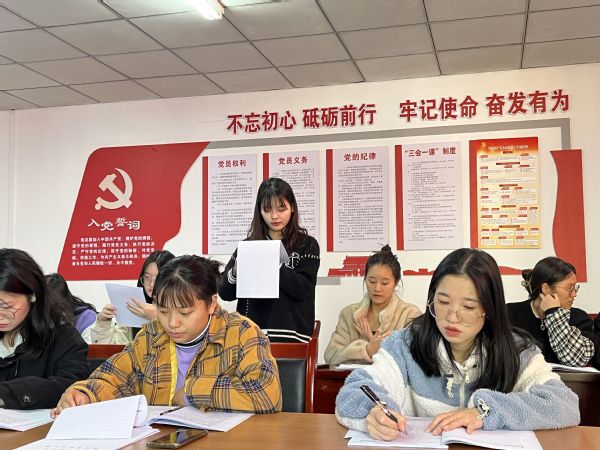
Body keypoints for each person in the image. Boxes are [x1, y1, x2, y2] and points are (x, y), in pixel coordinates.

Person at [335, 248, 579, 441]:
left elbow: (564, 404)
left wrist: (485, 411)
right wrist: (373, 412)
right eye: (443, 302)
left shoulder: (517, 350)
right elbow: (355, 388)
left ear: (490, 308)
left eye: (468, 307)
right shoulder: (406, 344)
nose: (452, 317)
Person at [52, 254, 282, 416]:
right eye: (162, 311)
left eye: (185, 312)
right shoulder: (152, 335)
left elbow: (266, 393)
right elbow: (114, 377)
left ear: (211, 303)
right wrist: (85, 394)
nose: (172, 323)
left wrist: (192, 392)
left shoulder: (241, 333)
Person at [219, 178, 320, 343]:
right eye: (267, 209)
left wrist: (273, 262)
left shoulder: (307, 244)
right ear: (259, 211)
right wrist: (235, 272)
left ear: (292, 207)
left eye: (281, 208)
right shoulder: (248, 246)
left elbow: (302, 289)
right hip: (251, 337)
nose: (274, 216)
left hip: (291, 337)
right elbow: (225, 293)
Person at [0, 248, 89, 409]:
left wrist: (7, 394)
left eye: (7, 306)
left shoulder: (63, 338)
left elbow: (72, 385)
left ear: (33, 295)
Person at [324, 245, 420, 364]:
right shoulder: (349, 313)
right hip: (352, 376)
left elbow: (416, 358)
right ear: (365, 279)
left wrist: (378, 344)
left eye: (384, 283)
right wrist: (366, 350)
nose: (377, 288)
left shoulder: (409, 314)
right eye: (372, 281)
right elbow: (330, 356)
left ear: (396, 283)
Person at [507, 256, 594, 367]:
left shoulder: (579, 318)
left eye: (575, 287)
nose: (574, 294)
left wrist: (554, 314)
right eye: (570, 288)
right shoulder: (509, 314)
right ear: (546, 289)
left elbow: (577, 360)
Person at [82, 250, 175, 344]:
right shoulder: (135, 308)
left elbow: (180, 346)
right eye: (147, 277)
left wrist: (157, 317)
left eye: (157, 278)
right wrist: (103, 323)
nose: (151, 284)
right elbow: (113, 348)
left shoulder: (181, 310)